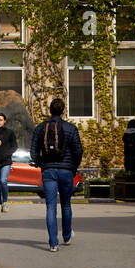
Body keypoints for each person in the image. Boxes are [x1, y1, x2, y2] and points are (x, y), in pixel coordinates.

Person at [30, 97, 83, 252]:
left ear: (49, 110)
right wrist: (73, 167)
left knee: (50, 207)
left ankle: (53, 243)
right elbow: (78, 151)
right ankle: (66, 235)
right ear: (63, 111)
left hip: (49, 171)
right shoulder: (71, 128)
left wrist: (42, 164)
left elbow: (33, 152)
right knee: (66, 204)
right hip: (66, 170)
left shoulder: (41, 128)